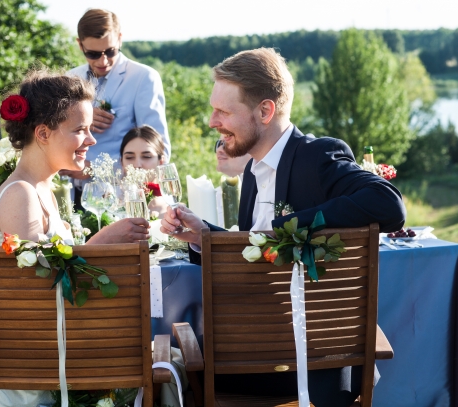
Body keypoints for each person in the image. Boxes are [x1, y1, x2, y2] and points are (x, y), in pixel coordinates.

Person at [161, 48, 406, 407]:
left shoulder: (317, 157)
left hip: (312, 368)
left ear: (265, 111)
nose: (213, 121)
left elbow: (390, 204)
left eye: (224, 111)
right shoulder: (252, 172)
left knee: (168, 368)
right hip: (256, 359)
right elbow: (258, 255)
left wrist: (288, 227)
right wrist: (204, 236)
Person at [0, 69, 150, 407]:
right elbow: (39, 293)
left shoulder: (43, 187)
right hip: (37, 372)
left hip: (59, 352)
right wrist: (103, 243)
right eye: (80, 130)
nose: (91, 140)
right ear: (43, 134)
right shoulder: (21, 194)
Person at [62, 9, 170, 206]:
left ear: (120, 39)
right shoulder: (69, 79)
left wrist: (92, 169)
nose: (103, 61)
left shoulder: (143, 77)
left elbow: (158, 151)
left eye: (110, 51)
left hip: (122, 197)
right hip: (71, 195)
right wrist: (81, 117)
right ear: (80, 45)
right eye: (93, 54)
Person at [120, 125, 168, 217]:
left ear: (161, 161)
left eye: (147, 157)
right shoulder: (108, 206)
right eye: (129, 157)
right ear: (121, 162)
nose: (137, 165)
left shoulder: (174, 211)